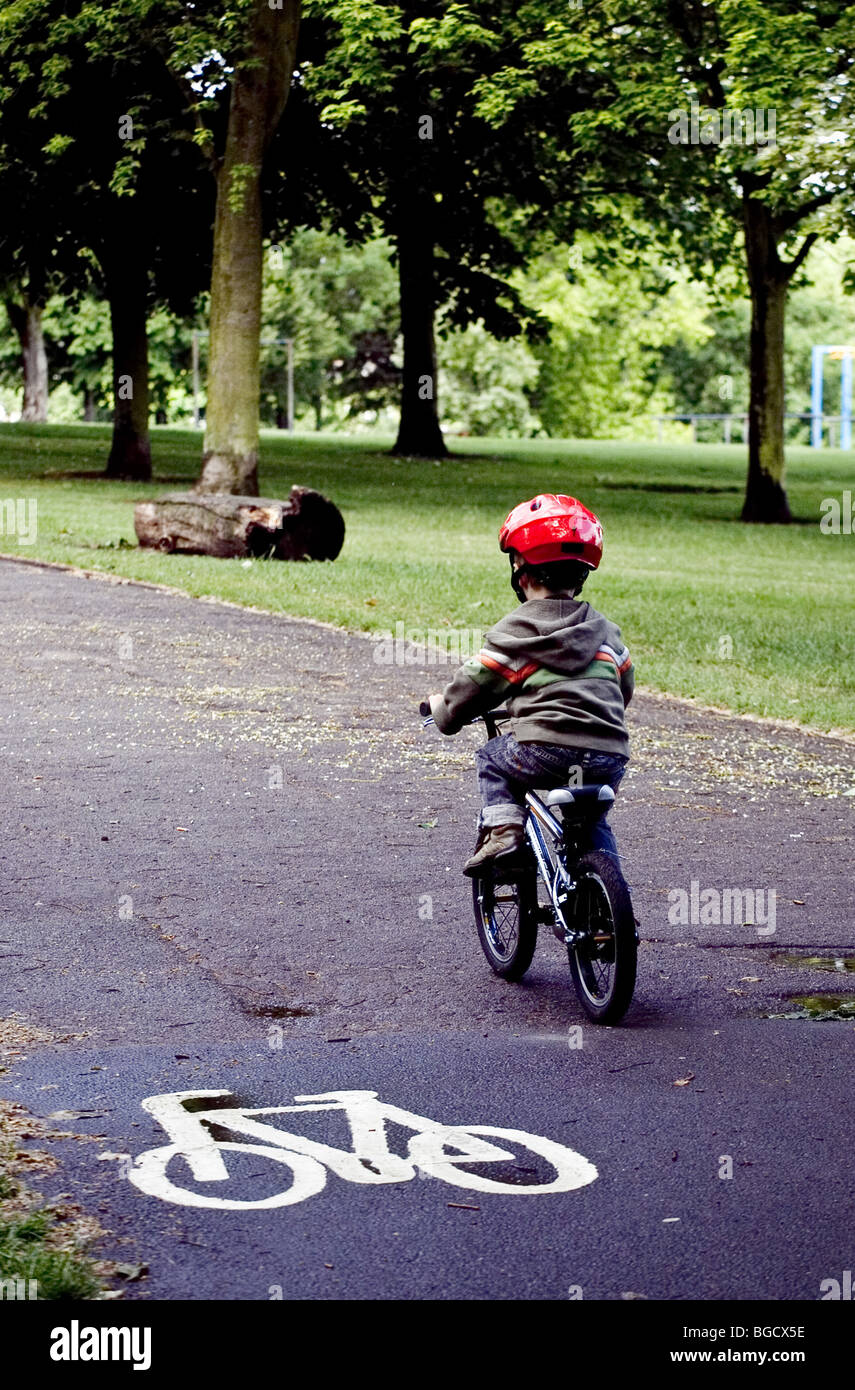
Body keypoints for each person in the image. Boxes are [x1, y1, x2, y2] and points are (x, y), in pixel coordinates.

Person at [425, 493, 634, 876]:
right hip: (608, 756)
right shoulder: (607, 634)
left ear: (520, 569)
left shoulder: (516, 635)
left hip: (545, 752)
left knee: (492, 758)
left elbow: (475, 685)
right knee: (592, 823)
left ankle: (504, 832)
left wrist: (446, 712)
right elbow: (624, 690)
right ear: (582, 574)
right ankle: (607, 910)